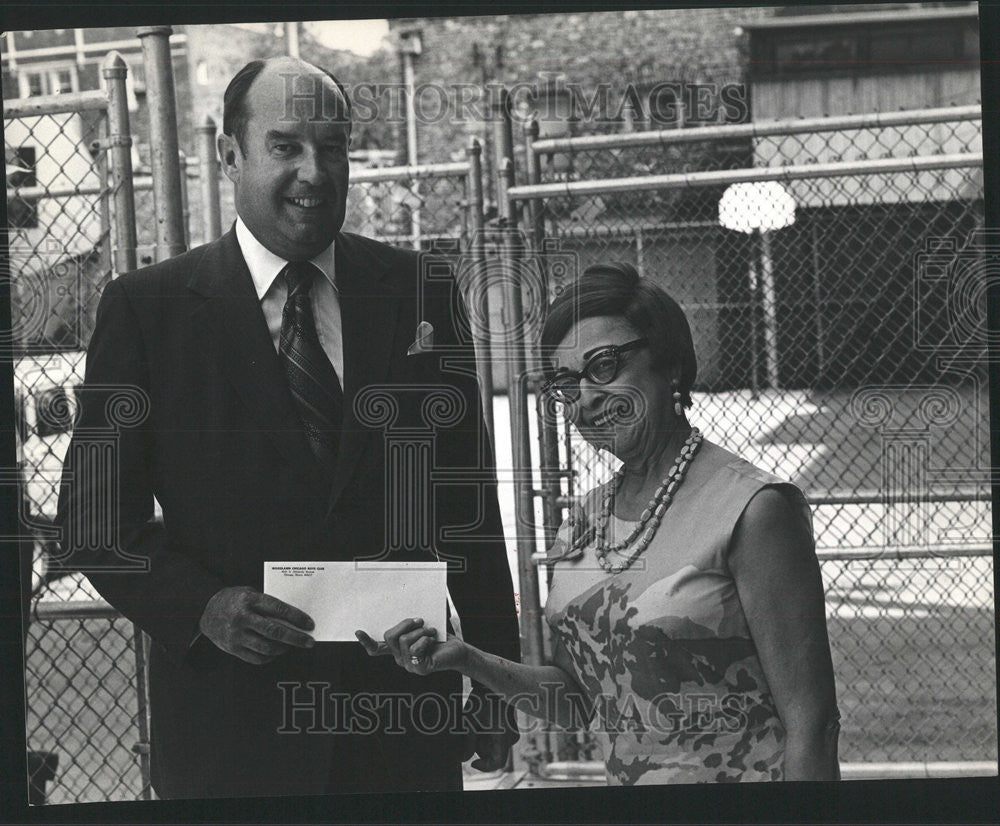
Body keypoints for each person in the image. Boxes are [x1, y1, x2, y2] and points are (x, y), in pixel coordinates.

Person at [56, 57, 520, 799]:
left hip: (398, 724)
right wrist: (202, 608)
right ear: (230, 154)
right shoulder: (150, 311)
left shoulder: (419, 292)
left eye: (331, 146)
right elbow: (90, 520)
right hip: (231, 736)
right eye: (286, 146)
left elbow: (465, 504)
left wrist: (497, 670)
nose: (314, 170)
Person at [362, 262, 841, 784]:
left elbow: (813, 724)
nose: (585, 397)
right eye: (567, 382)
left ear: (671, 364)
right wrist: (466, 660)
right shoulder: (585, 520)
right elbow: (582, 700)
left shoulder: (753, 510)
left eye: (605, 365)